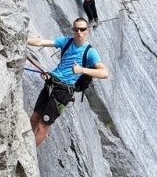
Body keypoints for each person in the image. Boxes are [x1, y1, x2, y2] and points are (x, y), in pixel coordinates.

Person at [27, 18, 109, 146]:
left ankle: (28, 153)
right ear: (73, 30)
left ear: (87, 30)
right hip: (51, 83)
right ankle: (26, 146)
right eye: (76, 29)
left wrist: (81, 69)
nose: (79, 32)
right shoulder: (66, 41)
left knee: (43, 126)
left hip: (63, 91)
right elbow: (41, 42)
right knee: (34, 119)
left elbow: (104, 73)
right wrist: (23, 40)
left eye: (82, 29)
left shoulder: (90, 52)